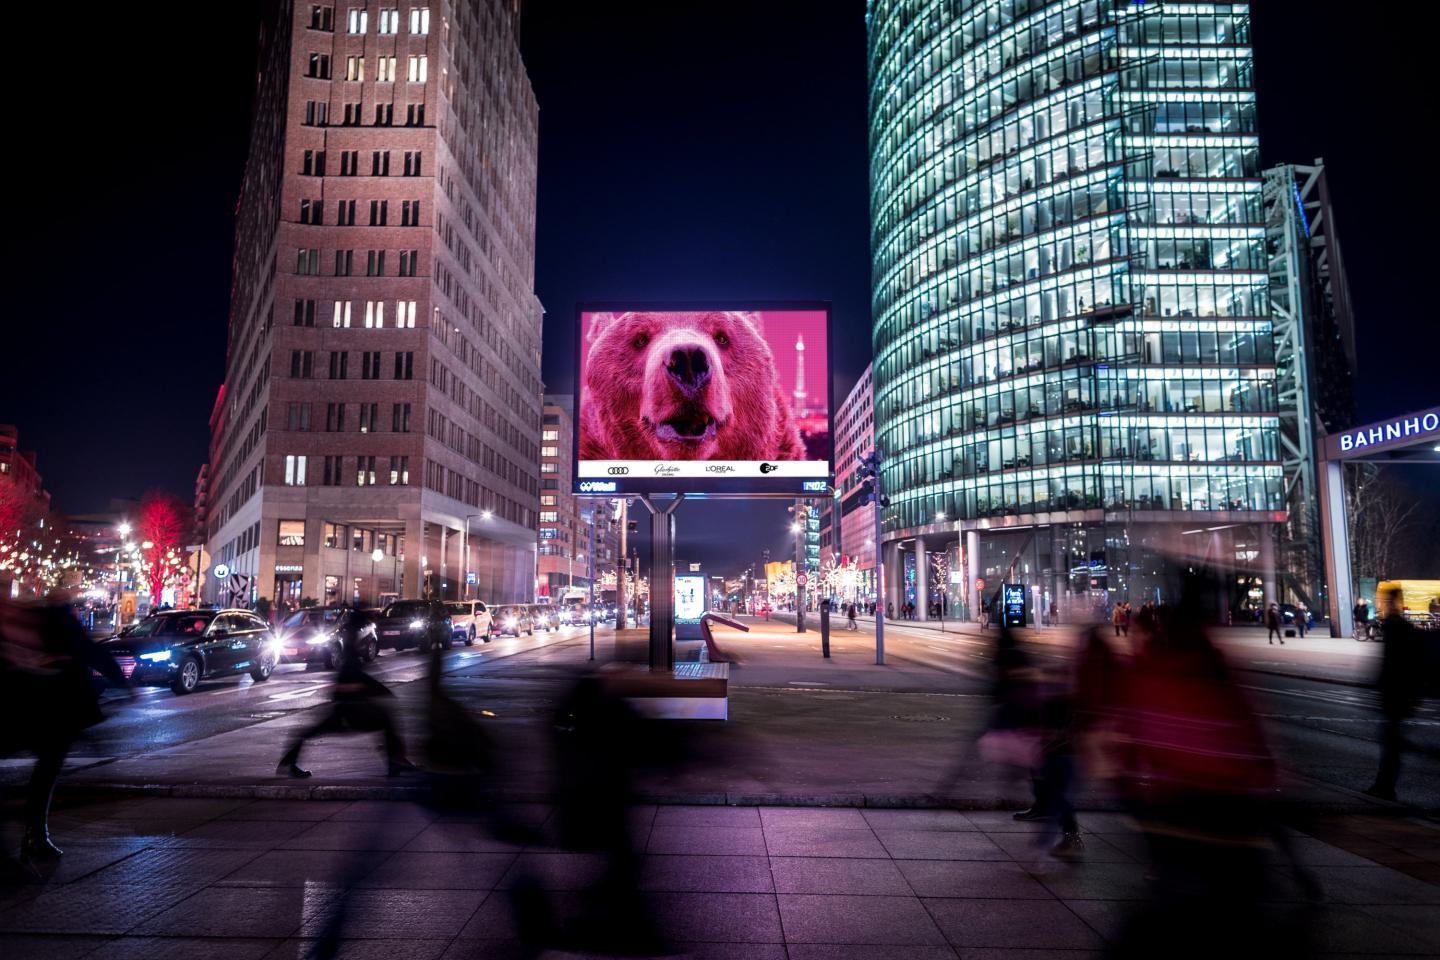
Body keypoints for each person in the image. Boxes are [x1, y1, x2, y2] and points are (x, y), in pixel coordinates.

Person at [0, 592, 128, 862]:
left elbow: (89, 650)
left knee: (47, 769)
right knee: (43, 769)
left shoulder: (52, 620)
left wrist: (120, 680)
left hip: (54, 709)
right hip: (13, 711)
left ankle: (37, 835)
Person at [276, 609, 415, 778]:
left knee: (312, 731)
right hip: (349, 709)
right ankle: (394, 762)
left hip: (346, 706)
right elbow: (352, 676)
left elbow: (355, 675)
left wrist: (374, 688)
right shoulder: (351, 646)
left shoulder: (351, 643)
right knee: (384, 720)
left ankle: (395, 762)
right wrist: (371, 688)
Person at [1365, 586, 1425, 802]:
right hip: (1397, 693)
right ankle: (1383, 785)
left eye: (1385, 601)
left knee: (1392, 742)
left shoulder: (1397, 628)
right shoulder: (1398, 627)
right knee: (1391, 741)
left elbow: (1395, 664)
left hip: (1396, 694)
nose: (1382, 604)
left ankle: (1385, 786)